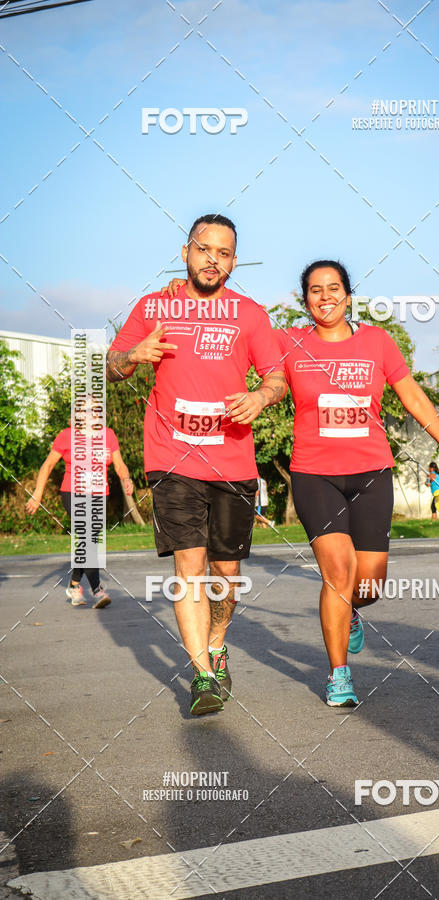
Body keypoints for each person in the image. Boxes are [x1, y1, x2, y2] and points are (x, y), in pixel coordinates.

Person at [278, 261, 439, 707]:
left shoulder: (377, 342)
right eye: (314, 290)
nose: (324, 296)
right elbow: (241, 331)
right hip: (315, 473)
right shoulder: (289, 342)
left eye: (333, 288)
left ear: (348, 295)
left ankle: (351, 612)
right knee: (337, 572)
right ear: (305, 301)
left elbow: (413, 397)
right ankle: (339, 675)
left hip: (372, 472)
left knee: (369, 586)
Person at [108, 214, 286, 716]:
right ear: (186, 252)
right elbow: (112, 367)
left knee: (225, 574)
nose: (213, 259)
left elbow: (276, 377)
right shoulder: (154, 306)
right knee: (190, 568)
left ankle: (218, 640)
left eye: (224, 252)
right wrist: (134, 355)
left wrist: (261, 396)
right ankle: (203, 675)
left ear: (234, 261)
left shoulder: (250, 314)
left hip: (232, 461)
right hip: (172, 458)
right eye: (204, 249)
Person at [26, 418, 133, 608]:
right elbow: (48, 465)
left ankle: (74, 585)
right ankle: (97, 590)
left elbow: (119, 463)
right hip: (73, 493)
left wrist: (126, 478)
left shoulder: (108, 435)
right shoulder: (66, 435)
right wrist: (37, 494)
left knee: (90, 540)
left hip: (100, 495)